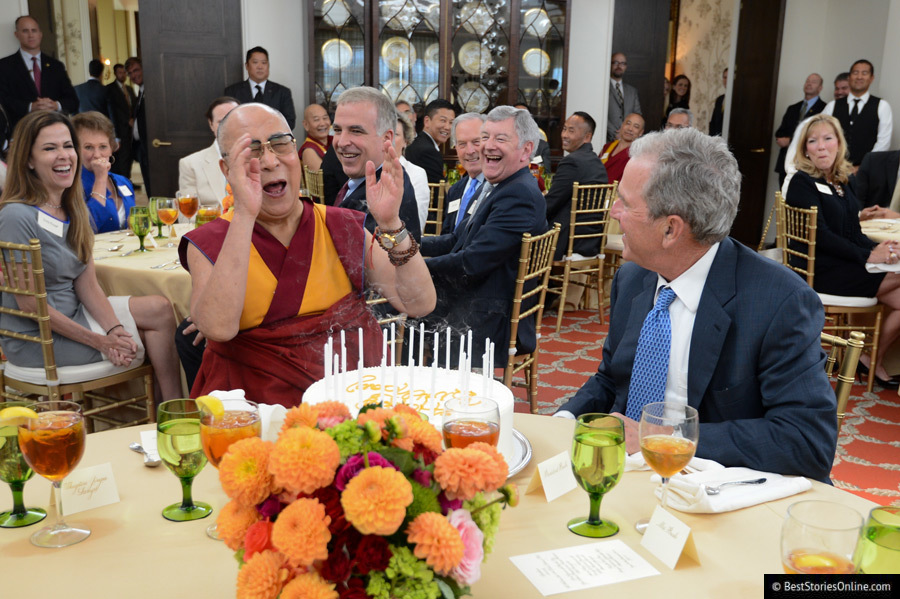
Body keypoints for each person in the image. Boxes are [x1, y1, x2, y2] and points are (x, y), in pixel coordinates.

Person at [555, 127, 837, 483]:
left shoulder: (778, 302)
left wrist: (666, 440)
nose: (614, 212)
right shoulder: (632, 279)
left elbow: (807, 442)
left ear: (671, 230)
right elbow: (611, 380)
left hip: (720, 490)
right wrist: (563, 422)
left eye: (625, 202)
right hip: (627, 479)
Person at [178, 103, 436, 404]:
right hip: (254, 407)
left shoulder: (340, 225)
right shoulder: (210, 240)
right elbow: (218, 328)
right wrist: (245, 215)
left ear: (295, 151)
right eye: (252, 152)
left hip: (351, 397)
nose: (270, 161)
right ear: (226, 170)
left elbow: (420, 303)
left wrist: (391, 224)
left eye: (279, 144)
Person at [0, 110, 182, 401]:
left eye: (68, 146)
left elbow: (88, 285)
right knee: (148, 340)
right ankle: (147, 416)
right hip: (38, 338)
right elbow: (31, 306)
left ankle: (172, 411)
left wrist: (116, 329)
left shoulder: (74, 208)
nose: (64, 155)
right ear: (29, 160)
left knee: (160, 310)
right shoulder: (16, 215)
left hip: (76, 315)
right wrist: (100, 341)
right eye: (50, 148)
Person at [422, 105, 547, 368]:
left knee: (397, 314)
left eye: (500, 139)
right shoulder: (499, 186)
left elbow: (472, 262)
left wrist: (415, 266)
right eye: (486, 136)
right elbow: (456, 239)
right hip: (476, 300)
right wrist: (410, 244)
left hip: (486, 318)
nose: (486, 146)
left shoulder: (518, 195)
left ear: (526, 150)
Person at [786, 114, 900, 388]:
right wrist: (868, 256)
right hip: (821, 269)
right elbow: (821, 236)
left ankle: (870, 357)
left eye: (827, 139)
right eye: (813, 141)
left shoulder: (841, 183)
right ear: (805, 150)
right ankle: (866, 357)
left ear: (839, 144)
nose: (821, 146)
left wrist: (879, 248)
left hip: (844, 264)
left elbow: (853, 231)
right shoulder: (802, 182)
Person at [332, 86, 422, 240]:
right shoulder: (365, 176)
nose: (342, 142)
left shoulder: (388, 195)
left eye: (356, 131)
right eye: (338, 130)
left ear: (386, 139)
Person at [545, 112, 608, 261]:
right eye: (564, 129)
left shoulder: (572, 162)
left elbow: (551, 204)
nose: (564, 135)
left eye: (571, 131)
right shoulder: (596, 162)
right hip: (591, 241)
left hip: (568, 242)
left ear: (587, 137)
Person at [0, 16, 79, 133]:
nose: (31, 35)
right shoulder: (4, 65)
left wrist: (55, 105)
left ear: (40, 34)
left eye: (34, 30)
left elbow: (73, 101)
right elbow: (4, 99)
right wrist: (30, 107)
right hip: (21, 133)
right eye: (25, 31)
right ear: (17, 34)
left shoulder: (56, 66)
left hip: (55, 131)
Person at [71, 111, 136, 234]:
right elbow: (88, 227)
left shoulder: (123, 182)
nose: (97, 155)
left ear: (112, 148)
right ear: (76, 150)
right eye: (88, 147)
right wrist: (100, 179)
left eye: (103, 147)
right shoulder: (72, 185)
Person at [827, 60, 893, 168]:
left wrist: (863, 167)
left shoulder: (882, 106)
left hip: (867, 172)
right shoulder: (832, 106)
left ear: (872, 78)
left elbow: (883, 143)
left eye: (864, 73)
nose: (859, 77)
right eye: (855, 72)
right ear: (849, 78)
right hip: (834, 168)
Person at [178, 96, 239, 208]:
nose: (228, 126)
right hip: (212, 224)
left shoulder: (258, 158)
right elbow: (188, 216)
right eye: (221, 121)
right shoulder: (190, 164)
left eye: (233, 120)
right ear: (211, 124)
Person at [224, 47, 296, 130]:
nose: (260, 67)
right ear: (247, 66)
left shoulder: (282, 92)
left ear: (268, 66)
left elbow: (289, 122)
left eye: (264, 63)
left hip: (272, 140)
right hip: (245, 140)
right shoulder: (232, 91)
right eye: (255, 62)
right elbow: (228, 122)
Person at [774, 73, 826, 186]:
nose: (809, 84)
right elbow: (779, 132)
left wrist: (790, 140)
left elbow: (817, 136)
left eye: (813, 82)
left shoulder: (824, 109)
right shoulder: (793, 108)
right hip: (786, 163)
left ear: (820, 87)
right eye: (807, 81)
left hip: (808, 164)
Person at [441, 112, 485, 234]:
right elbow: (446, 236)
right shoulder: (455, 190)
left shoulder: (496, 189)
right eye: (462, 144)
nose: (469, 151)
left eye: (476, 142)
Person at [405, 98, 454, 183]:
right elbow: (438, 193)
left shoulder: (418, 143)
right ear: (427, 121)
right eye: (443, 120)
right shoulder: (428, 151)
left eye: (451, 122)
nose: (447, 127)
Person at [393, 111, 429, 230]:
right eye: (385, 133)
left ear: (405, 141)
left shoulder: (416, 173)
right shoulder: (368, 169)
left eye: (395, 134)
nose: (389, 139)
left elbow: (418, 222)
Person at [124, 57, 150, 196]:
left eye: (136, 70)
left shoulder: (151, 91)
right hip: (142, 148)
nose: (133, 75)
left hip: (151, 147)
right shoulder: (140, 92)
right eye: (130, 73)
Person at [105, 63, 134, 178]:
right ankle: (122, 181)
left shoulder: (130, 89)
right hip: (119, 129)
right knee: (121, 158)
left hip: (131, 130)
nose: (123, 75)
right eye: (120, 73)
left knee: (129, 157)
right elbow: (113, 110)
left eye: (124, 73)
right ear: (115, 74)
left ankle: (128, 179)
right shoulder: (110, 89)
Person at [600, 112, 644, 183]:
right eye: (628, 123)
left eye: (636, 126)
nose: (630, 129)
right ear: (622, 125)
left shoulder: (637, 155)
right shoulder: (608, 147)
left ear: (641, 132)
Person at [607, 52, 641, 143]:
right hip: (607, 138)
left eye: (622, 63)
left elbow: (637, 115)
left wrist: (628, 132)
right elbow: (600, 112)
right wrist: (615, 133)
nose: (619, 66)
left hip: (628, 140)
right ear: (609, 64)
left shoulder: (632, 91)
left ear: (625, 67)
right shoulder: (604, 88)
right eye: (615, 62)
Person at [513, 103, 552, 171]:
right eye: (516, 117)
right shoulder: (501, 144)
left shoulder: (542, 146)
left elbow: (546, 174)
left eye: (524, 117)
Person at [298, 103, 332, 172]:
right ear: (306, 125)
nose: (322, 123)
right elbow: (325, 180)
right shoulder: (309, 151)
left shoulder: (333, 140)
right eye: (316, 120)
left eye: (325, 118)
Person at [708, 68, 727, 137]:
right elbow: (713, 122)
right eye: (724, 77)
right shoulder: (720, 99)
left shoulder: (737, 99)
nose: (726, 80)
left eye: (729, 77)